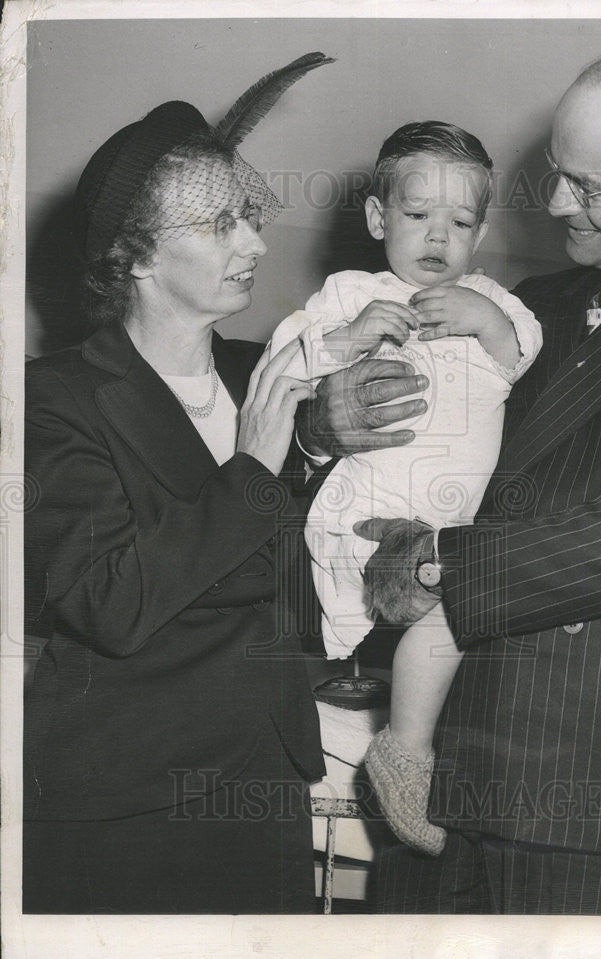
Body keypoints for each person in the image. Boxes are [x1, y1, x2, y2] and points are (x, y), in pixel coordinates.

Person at [299, 43, 601, 914]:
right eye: (556, 174)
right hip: (442, 773)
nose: (553, 205)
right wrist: (316, 427)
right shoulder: (530, 307)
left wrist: (441, 559)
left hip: (597, 785)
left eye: (585, 187)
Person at [23, 59, 335, 914]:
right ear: (137, 256)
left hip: (265, 779)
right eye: (221, 224)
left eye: (253, 218)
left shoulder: (265, 373)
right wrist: (255, 470)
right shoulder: (50, 400)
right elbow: (108, 603)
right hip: (124, 799)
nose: (257, 244)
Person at [269, 121, 541, 856]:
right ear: (377, 218)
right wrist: (351, 338)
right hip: (371, 506)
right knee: (440, 597)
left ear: (479, 234)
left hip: (458, 520)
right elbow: (288, 364)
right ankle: (406, 746)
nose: (437, 238)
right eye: (418, 217)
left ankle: (413, 746)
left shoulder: (492, 300)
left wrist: (488, 322)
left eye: (459, 223)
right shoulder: (350, 293)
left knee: (465, 603)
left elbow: (525, 358)